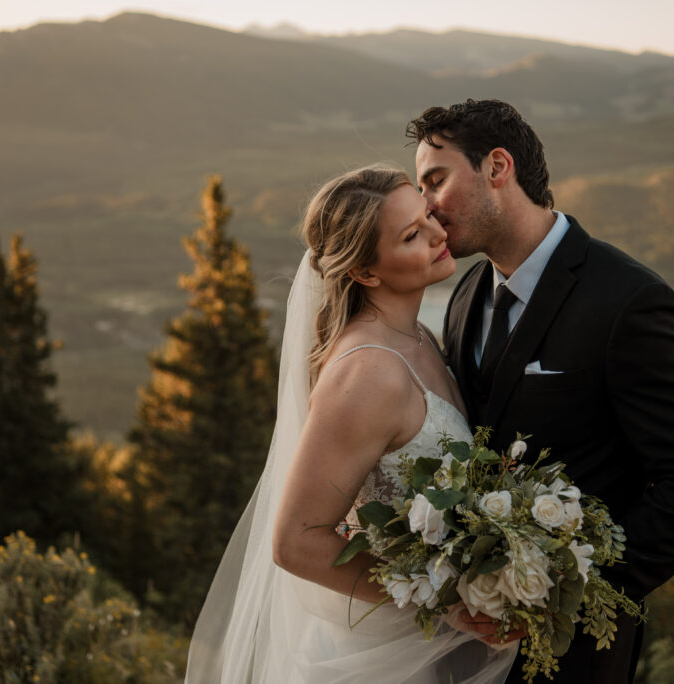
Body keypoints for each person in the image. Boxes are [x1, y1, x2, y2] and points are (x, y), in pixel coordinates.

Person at [407, 99, 674, 683]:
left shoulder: (629, 301)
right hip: (462, 647)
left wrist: (554, 590)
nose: (425, 206)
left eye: (435, 180)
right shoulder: (465, 294)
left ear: (497, 167)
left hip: (574, 653)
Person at [184, 165, 516, 683]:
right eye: (411, 235)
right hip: (379, 659)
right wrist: (442, 598)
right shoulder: (368, 373)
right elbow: (295, 540)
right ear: (365, 272)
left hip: (427, 647)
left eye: (428, 215)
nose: (437, 234)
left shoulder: (420, 337)